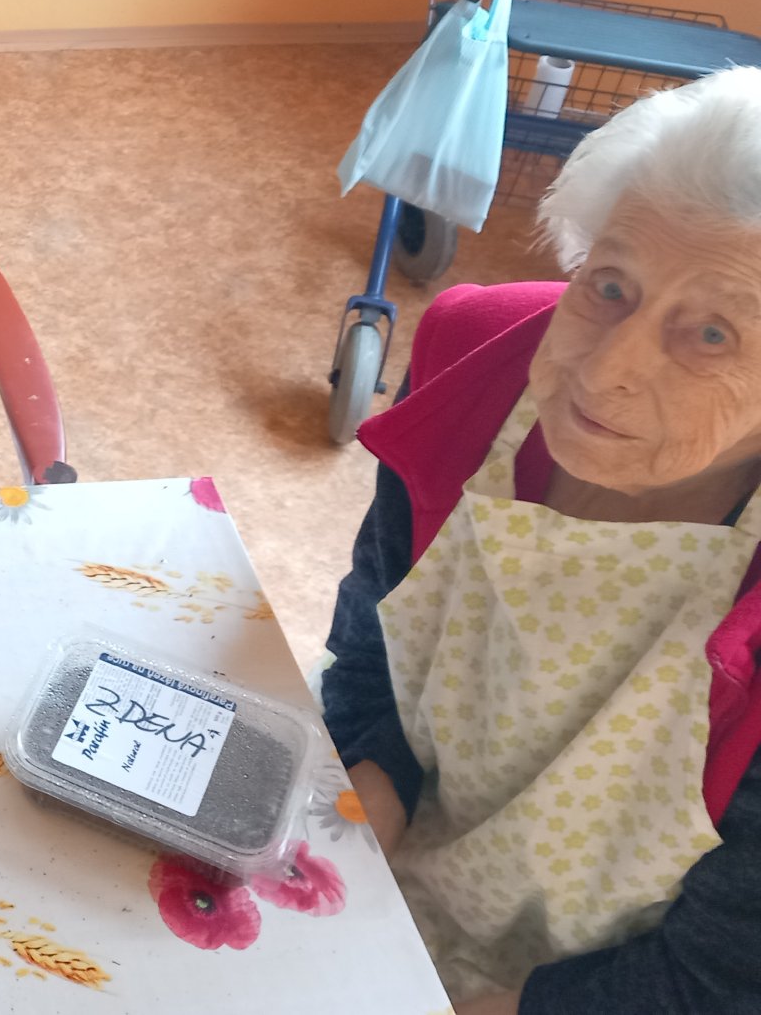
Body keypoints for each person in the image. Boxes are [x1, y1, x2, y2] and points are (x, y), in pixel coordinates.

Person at [321, 67, 761, 1013]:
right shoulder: (478, 361)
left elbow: (722, 975)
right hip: (381, 882)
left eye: (712, 335)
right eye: (611, 285)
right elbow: (370, 654)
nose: (605, 370)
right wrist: (362, 803)